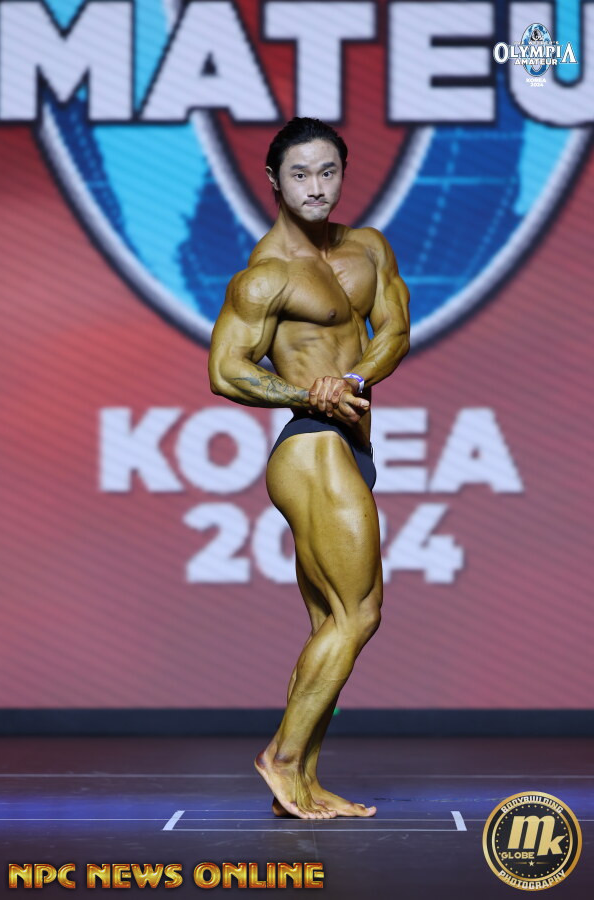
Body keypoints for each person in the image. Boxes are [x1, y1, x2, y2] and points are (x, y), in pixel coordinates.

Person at [208, 117, 410, 819]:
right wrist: (307, 394)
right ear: (273, 181)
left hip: (351, 442)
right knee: (361, 613)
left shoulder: (368, 249)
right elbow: (224, 370)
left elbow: (395, 331)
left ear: (343, 174)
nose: (315, 187)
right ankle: (282, 758)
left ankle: (305, 782)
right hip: (311, 444)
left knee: (331, 621)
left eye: (327, 172)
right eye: (299, 174)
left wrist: (350, 380)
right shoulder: (267, 275)